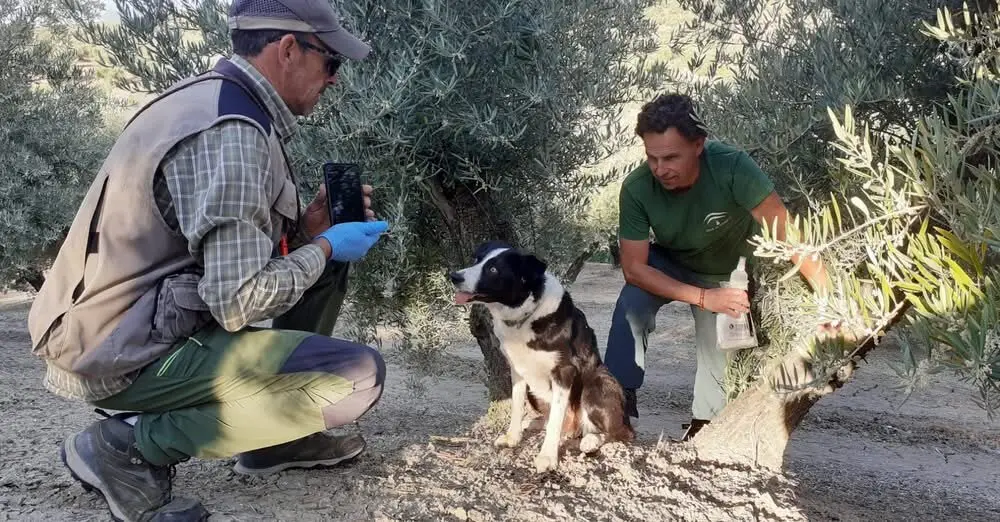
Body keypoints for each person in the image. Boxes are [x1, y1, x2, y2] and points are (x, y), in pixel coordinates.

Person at [26, 0, 389, 519]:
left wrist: (309, 234)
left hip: (123, 330)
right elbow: (237, 301)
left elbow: (223, 257)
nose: (334, 79)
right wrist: (326, 246)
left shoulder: (217, 102)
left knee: (325, 265)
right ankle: (127, 447)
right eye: (330, 62)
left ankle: (276, 440)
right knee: (356, 378)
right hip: (122, 353)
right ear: (289, 49)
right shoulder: (232, 133)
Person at [604, 93, 829, 441]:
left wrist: (831, 301)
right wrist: (702, 297)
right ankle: (613, 404)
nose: (660, 169)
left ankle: (704, 429)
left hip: (728, 272)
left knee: (720, 346)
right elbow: (634, 269)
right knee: (632, 302)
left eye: (671, 157)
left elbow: (790, 239)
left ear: (698, 145)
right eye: (652, 158)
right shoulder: (636, 188)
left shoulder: (733, 167)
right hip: (671, 263)